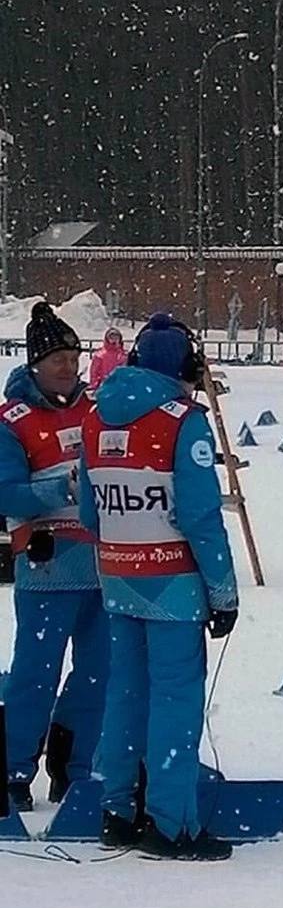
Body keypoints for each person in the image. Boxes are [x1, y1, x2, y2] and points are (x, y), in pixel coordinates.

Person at [80, 312, 238, 860]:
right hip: (172, 583)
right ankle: (171, 825)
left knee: (125, 693)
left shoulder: (97, 418)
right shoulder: (181, 420)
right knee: (175, 699)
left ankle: (117, 809)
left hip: (118, 576)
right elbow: (200, 516)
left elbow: (89, 510)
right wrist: (224, 593)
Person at [0, 301, 109, 811]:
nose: (69, 366)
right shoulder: (13, 420)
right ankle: (14, 768)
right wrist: (56, 488)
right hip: (46, 568)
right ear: (35, 365)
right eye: (59, 358)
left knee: (98, 674)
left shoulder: (99, 408)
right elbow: (7, 491)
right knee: (34, 674)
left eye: (74, 355)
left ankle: (74, 766)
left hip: (103, 569)